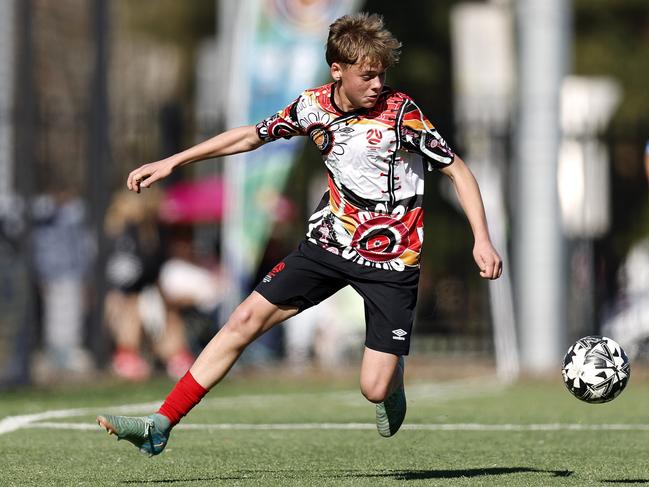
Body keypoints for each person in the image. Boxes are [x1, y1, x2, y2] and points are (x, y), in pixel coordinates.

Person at [97, 12, 502, 456]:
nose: (376, 84)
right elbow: (250, 137)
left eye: (382, 74)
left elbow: (457, 169)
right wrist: (174, 161)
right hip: (327, 244)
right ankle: (161, 423)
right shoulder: (313, 106)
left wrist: (480, 238)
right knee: (243, 320)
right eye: (367, 75)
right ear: (337, 71)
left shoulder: (402, 113)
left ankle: (391, 381)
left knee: (373, 387)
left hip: (392, 261)